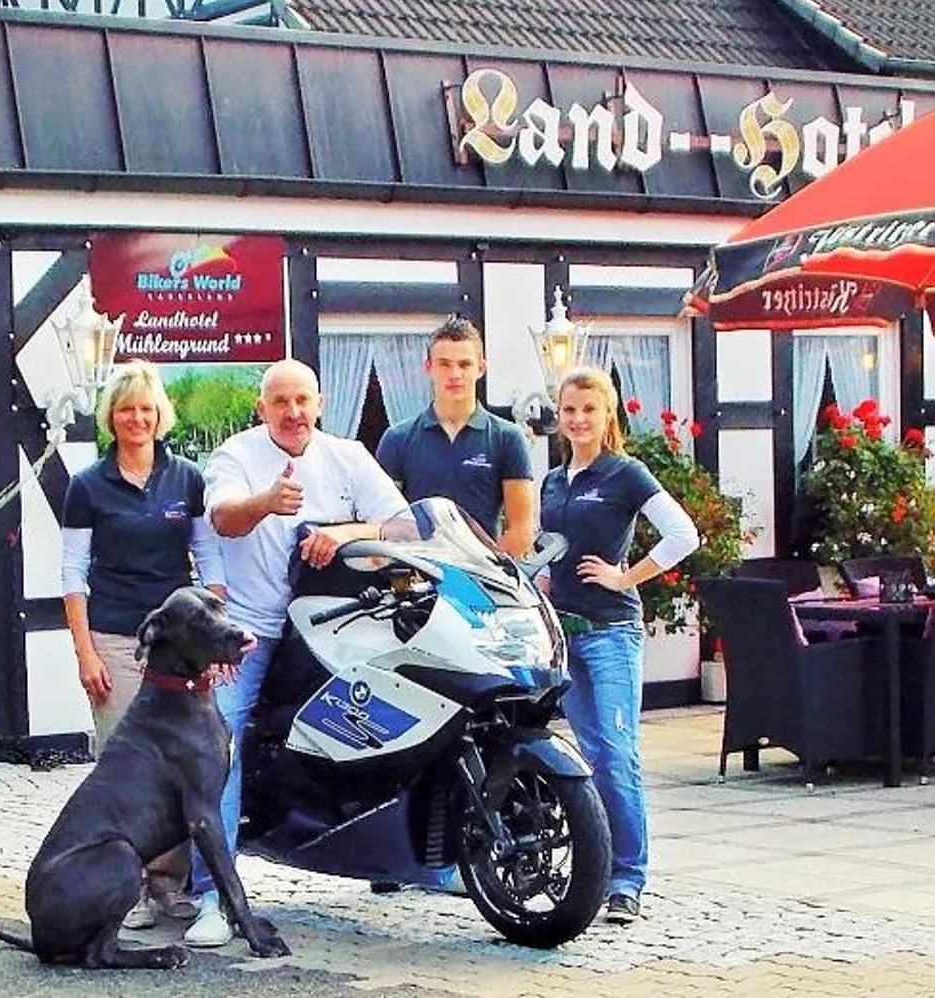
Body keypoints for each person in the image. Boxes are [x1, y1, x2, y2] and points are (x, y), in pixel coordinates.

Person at [186, 358, 408, 948]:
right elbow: (223, 518)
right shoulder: (236, 454)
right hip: (251, 630)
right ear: (261, 409)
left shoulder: (348, 456)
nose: (292, 412)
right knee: (220, 745)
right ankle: (213, 895)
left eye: (302, 400)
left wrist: (347, 532)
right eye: (280, 402)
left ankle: (424, 860)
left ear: (320, 404)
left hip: (339, 629)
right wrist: (265, 502)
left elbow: (404, 525)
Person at [59, 358, 226, 929]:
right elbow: (73, 572)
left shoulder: (188, 479)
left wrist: (216, 635)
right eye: (126, 409)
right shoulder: (87, 486)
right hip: (115, 639)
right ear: (111, 417)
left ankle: (168, 886)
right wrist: (84, 651)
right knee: (125, 768)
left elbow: (208, 559)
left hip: (181, 647)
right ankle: (126, 886)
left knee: (184, 766)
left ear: (160, 416)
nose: (137, 419)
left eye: (146, 409)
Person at [536, 364, 697, 927]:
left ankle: (627, 879)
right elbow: (550, 545)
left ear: (608, 414)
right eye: (569, 410)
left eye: (589, 409)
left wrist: (625, 577)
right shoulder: (553, 481)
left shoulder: (625, 473)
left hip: (610, 632)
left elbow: (684, 535)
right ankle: (597, 870)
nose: (578, 419)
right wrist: (542, 576)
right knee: (586, 755)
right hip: (564, 633)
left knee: (616, 753)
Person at [374, 318, 538, 558]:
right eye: (444, 364)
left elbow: (520, 530)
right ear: (428, 367)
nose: (455, 374)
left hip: (482, 576)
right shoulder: (397, 439)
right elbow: (384, 523)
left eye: (464, 364)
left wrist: (491, 571)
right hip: (418, 575)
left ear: (481, 368)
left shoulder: (508, 438)